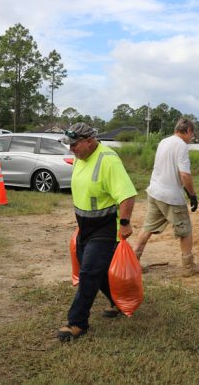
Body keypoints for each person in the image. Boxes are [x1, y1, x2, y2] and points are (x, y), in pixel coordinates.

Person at [57, 122, 136, 342]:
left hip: (105, 226)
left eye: (75, 144)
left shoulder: (108, 160)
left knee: (89, 273)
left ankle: (77, 322)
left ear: (90, 141)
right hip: (86, 227)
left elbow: (127, 194)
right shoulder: (80, 158)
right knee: (96, 271)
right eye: (69, 145)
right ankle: (118, 301)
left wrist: (126, 222)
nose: (71, 149)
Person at [133, 118, 199, 277]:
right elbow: (185, 174)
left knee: (148, 227)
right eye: (192, 134)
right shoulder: (182, 146)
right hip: (170, 196)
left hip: (154, 191)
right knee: (185, 230)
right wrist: (192, 195)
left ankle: (133, 262)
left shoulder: (164, 141)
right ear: (188, 131)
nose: (191, 138)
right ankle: (188, 267)